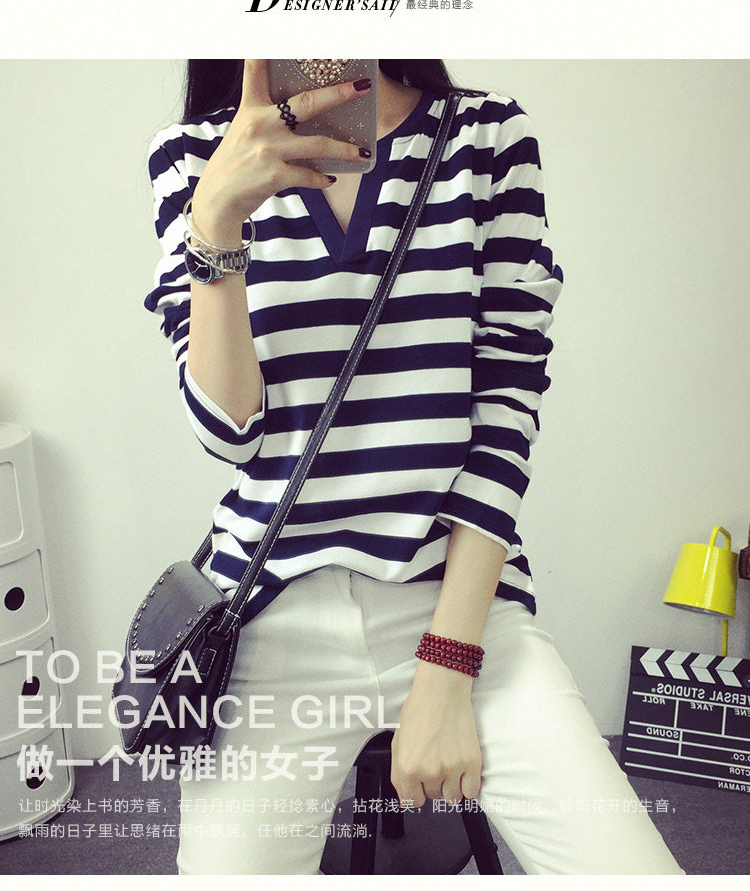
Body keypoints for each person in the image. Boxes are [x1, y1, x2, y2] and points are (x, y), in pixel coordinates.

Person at [143, 59, 686, 875]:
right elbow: (228, 435)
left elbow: (505, 420)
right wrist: (217, 220)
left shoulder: (486, 136)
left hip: (456, 603)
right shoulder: (193, 157)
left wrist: (448, 667)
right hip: (271, 610)